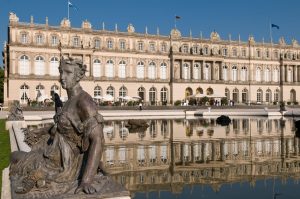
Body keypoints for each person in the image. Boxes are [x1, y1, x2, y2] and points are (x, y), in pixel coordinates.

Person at [10, 57, 105, 196]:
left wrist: (86, 180)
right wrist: (41, 131)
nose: (62, 77)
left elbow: (98, 140)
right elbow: (62, 129)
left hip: (66, 162)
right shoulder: (69, 101)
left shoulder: (84, 101)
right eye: (61, 72)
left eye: (68, 73)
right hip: (55, 154)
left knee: (16, 158)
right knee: (16, 157)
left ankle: (38, 177)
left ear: (79, 76)